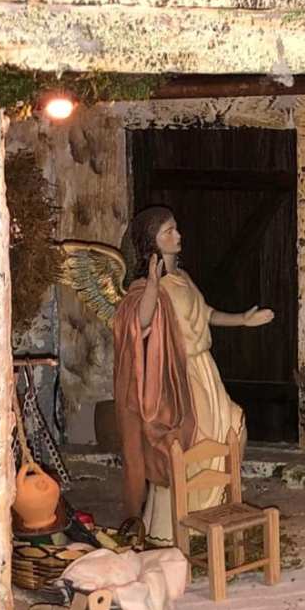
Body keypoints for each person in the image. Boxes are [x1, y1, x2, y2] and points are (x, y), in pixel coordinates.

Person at [113, 205, 274, 543]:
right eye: (168, 231)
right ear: (152, 241)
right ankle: (175, 525)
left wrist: (242, 320)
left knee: (232, 425)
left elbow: (207, 313)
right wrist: (153, 284)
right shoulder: (144, 286)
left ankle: (214, 509)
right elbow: (139, 323)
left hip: (205, 368)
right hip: (179, 374)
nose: (178, 235)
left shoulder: (183, 278)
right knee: (193, 444)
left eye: (176, 228)